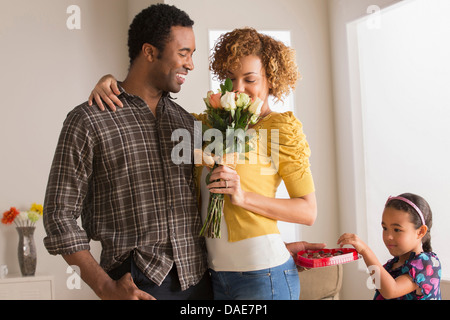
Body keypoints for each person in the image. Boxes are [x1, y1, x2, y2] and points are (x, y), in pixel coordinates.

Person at [89, 27, 321, 300]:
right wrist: (111, 83)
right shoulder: (207, 125)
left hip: (264, 275)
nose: (238, 89)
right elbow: (152, 111)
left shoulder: (281, 129)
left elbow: (307, 211)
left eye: (250, 79)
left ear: (271, 79)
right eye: (230, 79)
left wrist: (242, 196)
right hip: (214, 278)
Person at [43, 4, 213, 300]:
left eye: (192, 55)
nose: (190, 64)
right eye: (183, 53)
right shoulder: (88, 120)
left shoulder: (188, 123)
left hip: (201, 281)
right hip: (138, 283)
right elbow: (59, 216)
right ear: (149, 52)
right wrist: (105, 287)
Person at [338, 193, 441, 300]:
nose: (388, 236)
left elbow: (391, 291)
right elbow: (380, 286)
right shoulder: (391, 266)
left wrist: (365, 251)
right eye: (385, 228)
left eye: (397, 229)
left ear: (420, 232)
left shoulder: (428, 264)